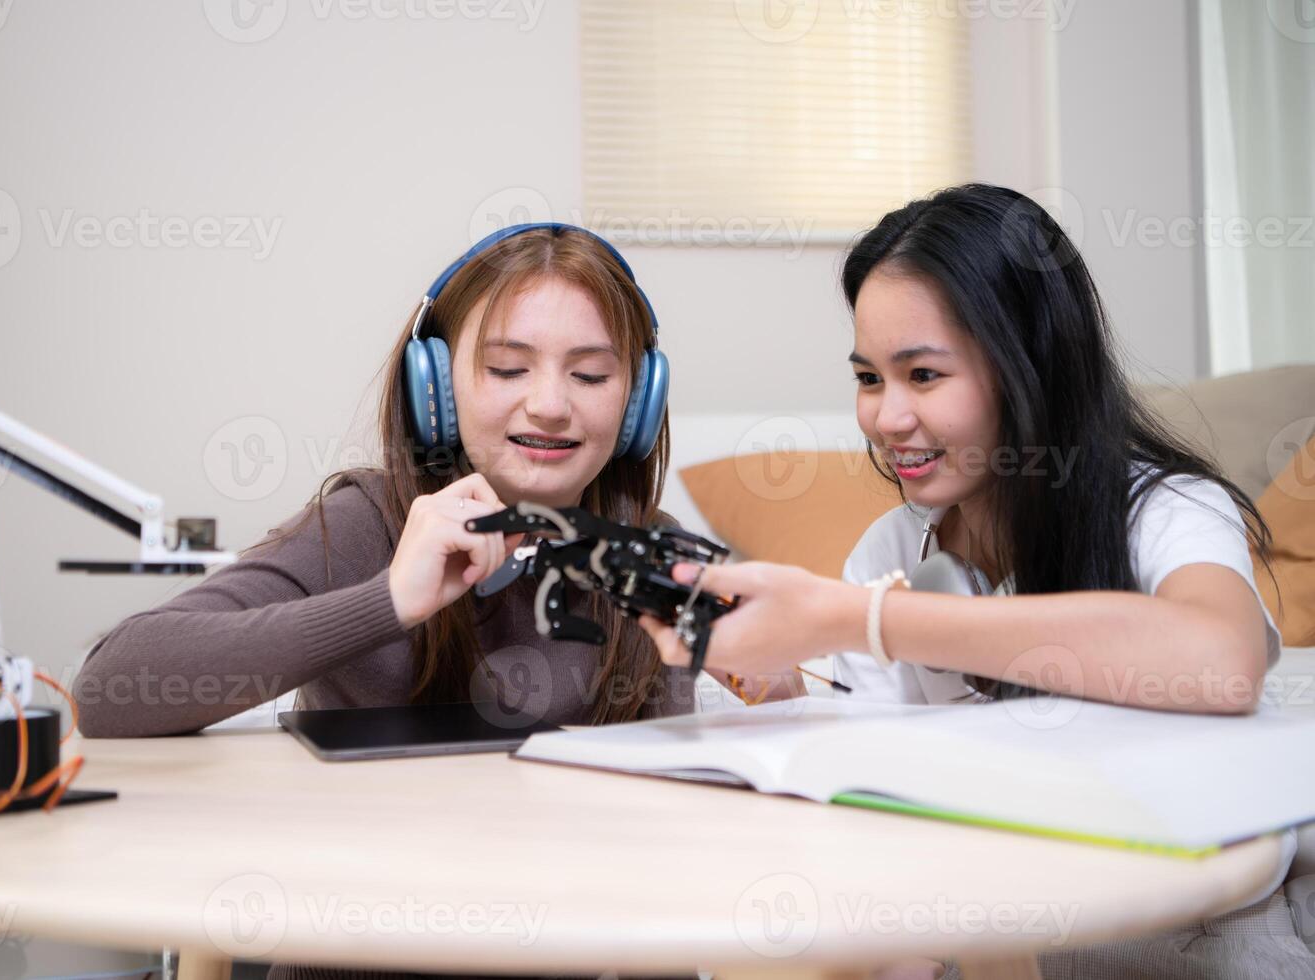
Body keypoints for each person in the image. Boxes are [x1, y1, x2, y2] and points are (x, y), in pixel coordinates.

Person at [639, 184, 1312, 979]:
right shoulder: (890, 547)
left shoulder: (1165, 508)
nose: (887, 418)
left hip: (1200, 929)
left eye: (923, 376)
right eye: (868, 378)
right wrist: (786, 695)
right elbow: (880, 794)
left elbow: (1220, 661)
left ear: (1028, 366)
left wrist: (868, 620)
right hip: (1002, 924)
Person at [72, 224, 696, 978]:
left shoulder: (650, 557)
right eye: (506, 368)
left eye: (591, 377)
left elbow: (666, 878)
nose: (551, 404)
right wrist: (389, 600)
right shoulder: (367, 523)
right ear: (434, 386)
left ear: (637, 400)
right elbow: (109, 691)